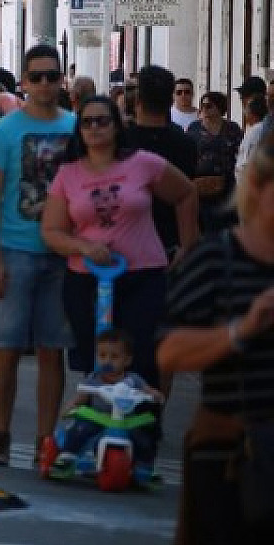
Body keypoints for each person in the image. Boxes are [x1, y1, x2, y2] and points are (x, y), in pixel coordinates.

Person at [159, 129, 274, 544]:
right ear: (257, 186)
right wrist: (242, 330)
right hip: (233, 457)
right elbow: (169, 353)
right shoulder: (217, 257)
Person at [42, 95, 197, 390]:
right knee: (97, 361)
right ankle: (98, 415)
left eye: (102, 120)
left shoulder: (144, 163)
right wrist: (84, 247)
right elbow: (52, 231)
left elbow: (186, 193)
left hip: (143, 276)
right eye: (87, 122)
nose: (94, 128)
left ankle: (144, 417)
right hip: (88, 280)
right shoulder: (68, 174)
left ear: (117, 126)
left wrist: (188, 245)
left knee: (143, 359)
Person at [0, 44, 76, 466]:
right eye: (36, 77)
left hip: (64, 254)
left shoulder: (75, 127)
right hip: (15, 250)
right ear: (23, 82)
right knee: (7, 349)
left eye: (52, 76)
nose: (44, 84)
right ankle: (0, 435)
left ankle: (45, 441)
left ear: (61, 80)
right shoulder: (4, 132)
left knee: (54, 351)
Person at [51, 330, 164, 473]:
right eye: (102, 356)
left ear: (127, 360)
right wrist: (71, 406)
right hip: (98, 418)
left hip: (124, 420)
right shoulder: (94, 379)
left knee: (142, 438)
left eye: (114, 357)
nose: (107, 361)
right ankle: (68, 456)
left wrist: (153, 394)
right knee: (81, 429)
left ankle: (144, 465)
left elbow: (147, 390)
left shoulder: (133, 379)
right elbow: (81, 397)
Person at [123, 65, 198, 257]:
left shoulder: (121, 141)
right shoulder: (185, 143)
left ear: (138, 100)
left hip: (127, 239)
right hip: (171, 240)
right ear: (170, 100)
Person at [188, 91, 243, 233]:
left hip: (227, 185)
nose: (204, 110)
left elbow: (241, 153)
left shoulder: (232, 128)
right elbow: (187, 153)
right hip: (202, 187)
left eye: (209, 106)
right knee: (205, 226)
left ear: (220, 107)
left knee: (227, 225)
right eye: (202, 106)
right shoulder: (194, 128)